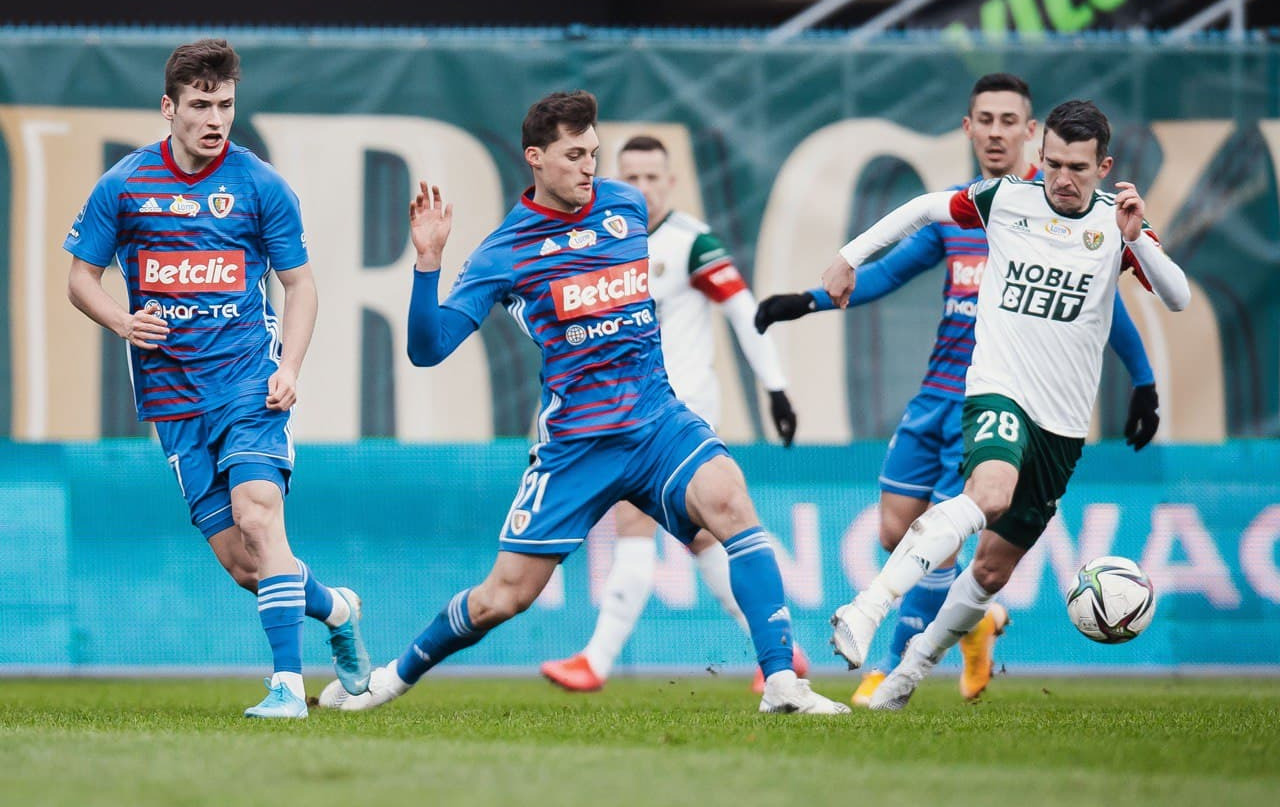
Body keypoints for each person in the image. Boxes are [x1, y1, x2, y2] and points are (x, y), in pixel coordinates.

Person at [319, 90, 848, 714]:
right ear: (535, 158)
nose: (589, 167)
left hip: (658, 422)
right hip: (579, 445)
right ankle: (391, 679)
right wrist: (428, 263)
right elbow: (427, 349)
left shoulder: (626, 205)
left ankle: (783, 683)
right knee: (502, 598)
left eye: (594, 153)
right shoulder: (504, 252)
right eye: (574, 156)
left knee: (731, 503)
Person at [755, 74, 1160, 705]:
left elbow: (1105, 306)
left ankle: (889, 669)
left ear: (1033, 132)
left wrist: (1143, 379)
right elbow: (888, 273)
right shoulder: (968, 209)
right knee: (896, 529)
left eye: (1009, 121)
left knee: (971, 514)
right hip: (939, 392)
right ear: (968, 128)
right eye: (985, 120)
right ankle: (975, 623)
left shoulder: (1074, 212)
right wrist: (808, 300)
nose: (997, 133)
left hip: (1009, 397)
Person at [64, 38, 370, 719]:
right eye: (201, 105)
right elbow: (80, 278)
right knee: (245, 564)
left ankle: (287, 686)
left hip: (247, 383)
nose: (215, 119)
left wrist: (289, 367)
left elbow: (301, 286)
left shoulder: (260, 185)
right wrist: (122, 320)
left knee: (259, 515)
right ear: (168, 107)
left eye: (226, 105)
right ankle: (337, 608)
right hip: (173, 397)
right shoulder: (124, 185)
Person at [540, 134, 807, 695]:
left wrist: (776, 387)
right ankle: (781, 651)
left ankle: (596, 660)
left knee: (632, 521)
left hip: (676, 408)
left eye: (652, 177)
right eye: (631, 177)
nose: (642, 188)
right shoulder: (606, 239)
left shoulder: (690, 242)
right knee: (704, 539)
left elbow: (743, 311)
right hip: (629, 406)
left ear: (671, 182)